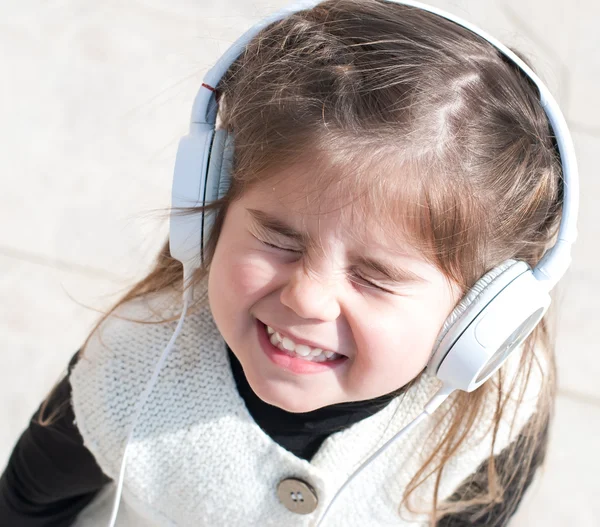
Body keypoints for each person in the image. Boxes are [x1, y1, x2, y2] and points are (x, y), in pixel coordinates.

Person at [0, 0, 572, 525]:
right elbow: (26, 505)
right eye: (279, 241)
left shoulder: (495, 407)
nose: (306, 297)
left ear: (480, 313)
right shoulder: (128, 372)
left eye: (374, 276)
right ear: (212, 216)